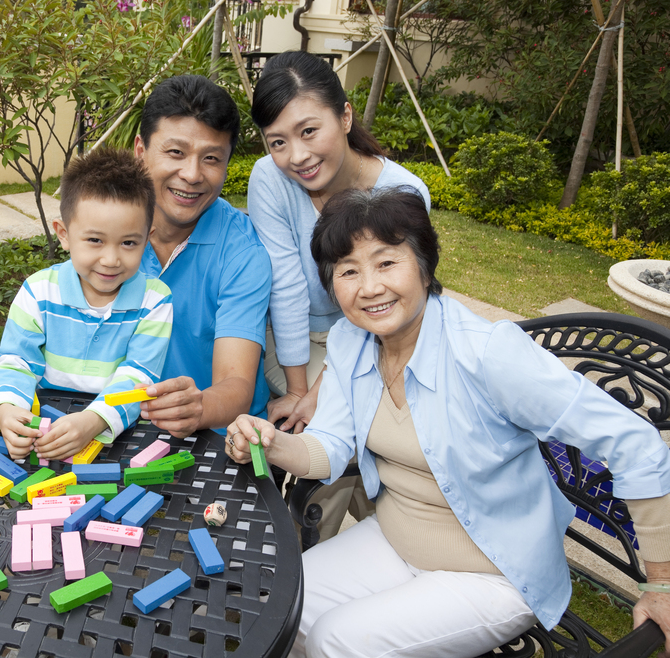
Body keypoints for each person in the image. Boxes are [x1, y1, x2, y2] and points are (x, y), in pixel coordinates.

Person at [225, 187, 670, 658]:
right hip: (395, 541)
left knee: (339, 641)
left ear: (424, 264)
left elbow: (635, 443)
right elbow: (330, 446)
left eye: (386, 263)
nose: (369, 287)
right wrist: (270, 443)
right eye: (348, 271)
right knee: (277, 607)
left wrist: (662, 584)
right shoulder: (349, 340)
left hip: (495, 572)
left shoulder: (487, 352)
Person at [248, 50, 430, 538]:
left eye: (310, 131)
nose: (298, 157)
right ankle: (321, 542)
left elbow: (384, 305)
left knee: (350, 420)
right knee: (334, 422)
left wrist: (328, 388)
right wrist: (303, 389)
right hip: (292, 342)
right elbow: (285, 285)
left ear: (345, 115)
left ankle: (358, 537)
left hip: (376, 338)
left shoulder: (402, 193)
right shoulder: (270, 178)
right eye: (278, 142)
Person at [0, 148, 173, 460]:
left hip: (117, 432)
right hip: (44, 425)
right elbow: (16, 361)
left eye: (129, 243)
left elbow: (138, 377)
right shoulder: (38, 291)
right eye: (95, 240)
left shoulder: (155, 300)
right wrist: (7, 408)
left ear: (147, 237)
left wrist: (93, 420)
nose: (111, 260)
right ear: (64, 234)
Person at [134, 75, 272, 437]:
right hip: (121, 427)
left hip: (218, 441)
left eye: (211, 158)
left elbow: (236, 384)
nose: (192, 175)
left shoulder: (242, 253)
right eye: (175, 153)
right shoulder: (109, 229)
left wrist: (197, 408)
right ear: (140, 151)